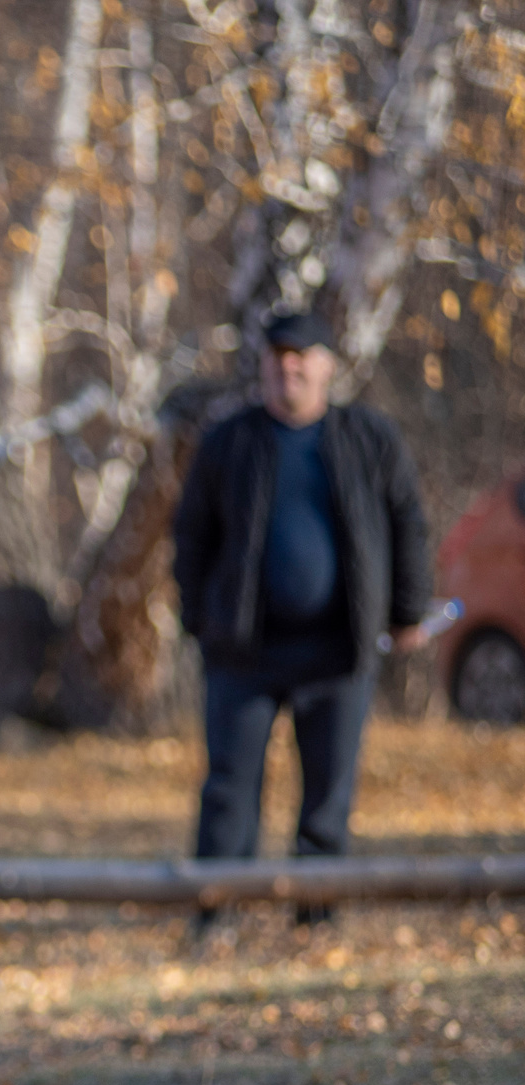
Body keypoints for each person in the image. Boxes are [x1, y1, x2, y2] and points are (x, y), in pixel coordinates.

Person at [172, 310, 432, 939]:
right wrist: (199, 618)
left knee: (327, 798)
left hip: (338, 652)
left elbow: (407, 524)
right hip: (244, 654)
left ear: (327, 365)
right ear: (263, 366)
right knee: (229, 793)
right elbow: (191, 535)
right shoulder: (229, 441)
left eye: (301, 357)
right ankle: (216, 919)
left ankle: (316, 925)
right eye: (276, 357)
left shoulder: (367, 438)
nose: (288, 369)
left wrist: (407, 612)